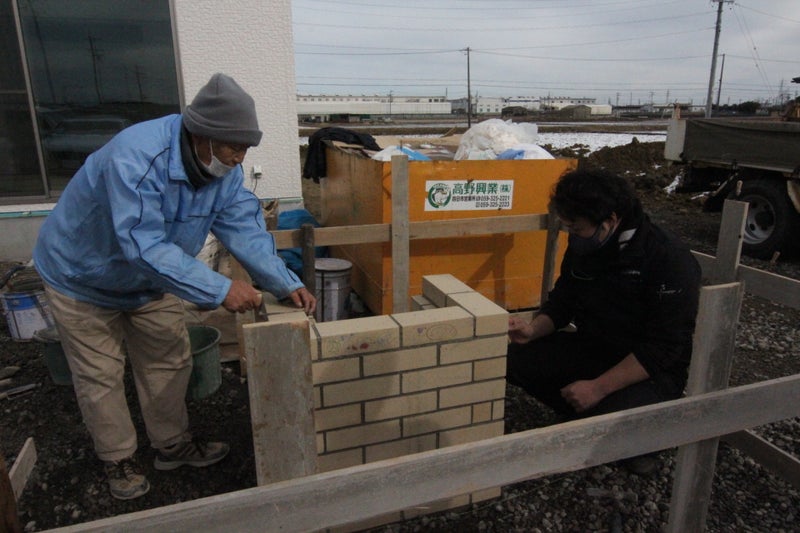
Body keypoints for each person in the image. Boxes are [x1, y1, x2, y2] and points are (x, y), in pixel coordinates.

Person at [33, 73, 316, 500]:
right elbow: (142, 245)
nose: (239, 159)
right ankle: (119, 458)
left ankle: (171, 444)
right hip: (82, 276)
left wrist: (284, 282)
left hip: (151, 280)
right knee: (100, 374)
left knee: (168, 358)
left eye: (245, 149)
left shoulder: (222, 174)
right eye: (232, 147)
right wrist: (221, 289)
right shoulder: (137, 158)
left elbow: (244, 228)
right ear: (202, 135)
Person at [507, 168, 701, 472]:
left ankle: (636, 435)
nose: (572, 234)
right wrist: (533, 330)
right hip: (596, 347)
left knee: (606, 428)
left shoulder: (667, 259)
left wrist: (598, 387)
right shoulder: (588, 245)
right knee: (515, 356)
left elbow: (663, 348)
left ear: (609, 220)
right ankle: (581, 408)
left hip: (647, 370)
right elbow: (564, 300)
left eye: (576, 228)